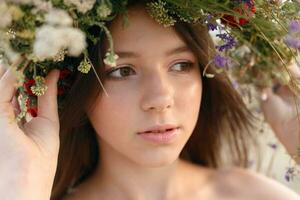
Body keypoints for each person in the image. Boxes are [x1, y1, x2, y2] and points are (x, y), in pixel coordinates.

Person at [0, 1, 299, 200]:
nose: (160, 99)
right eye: (123, 70)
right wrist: (23, 182)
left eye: (181, 65)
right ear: (72, 85)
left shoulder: (251, 195)